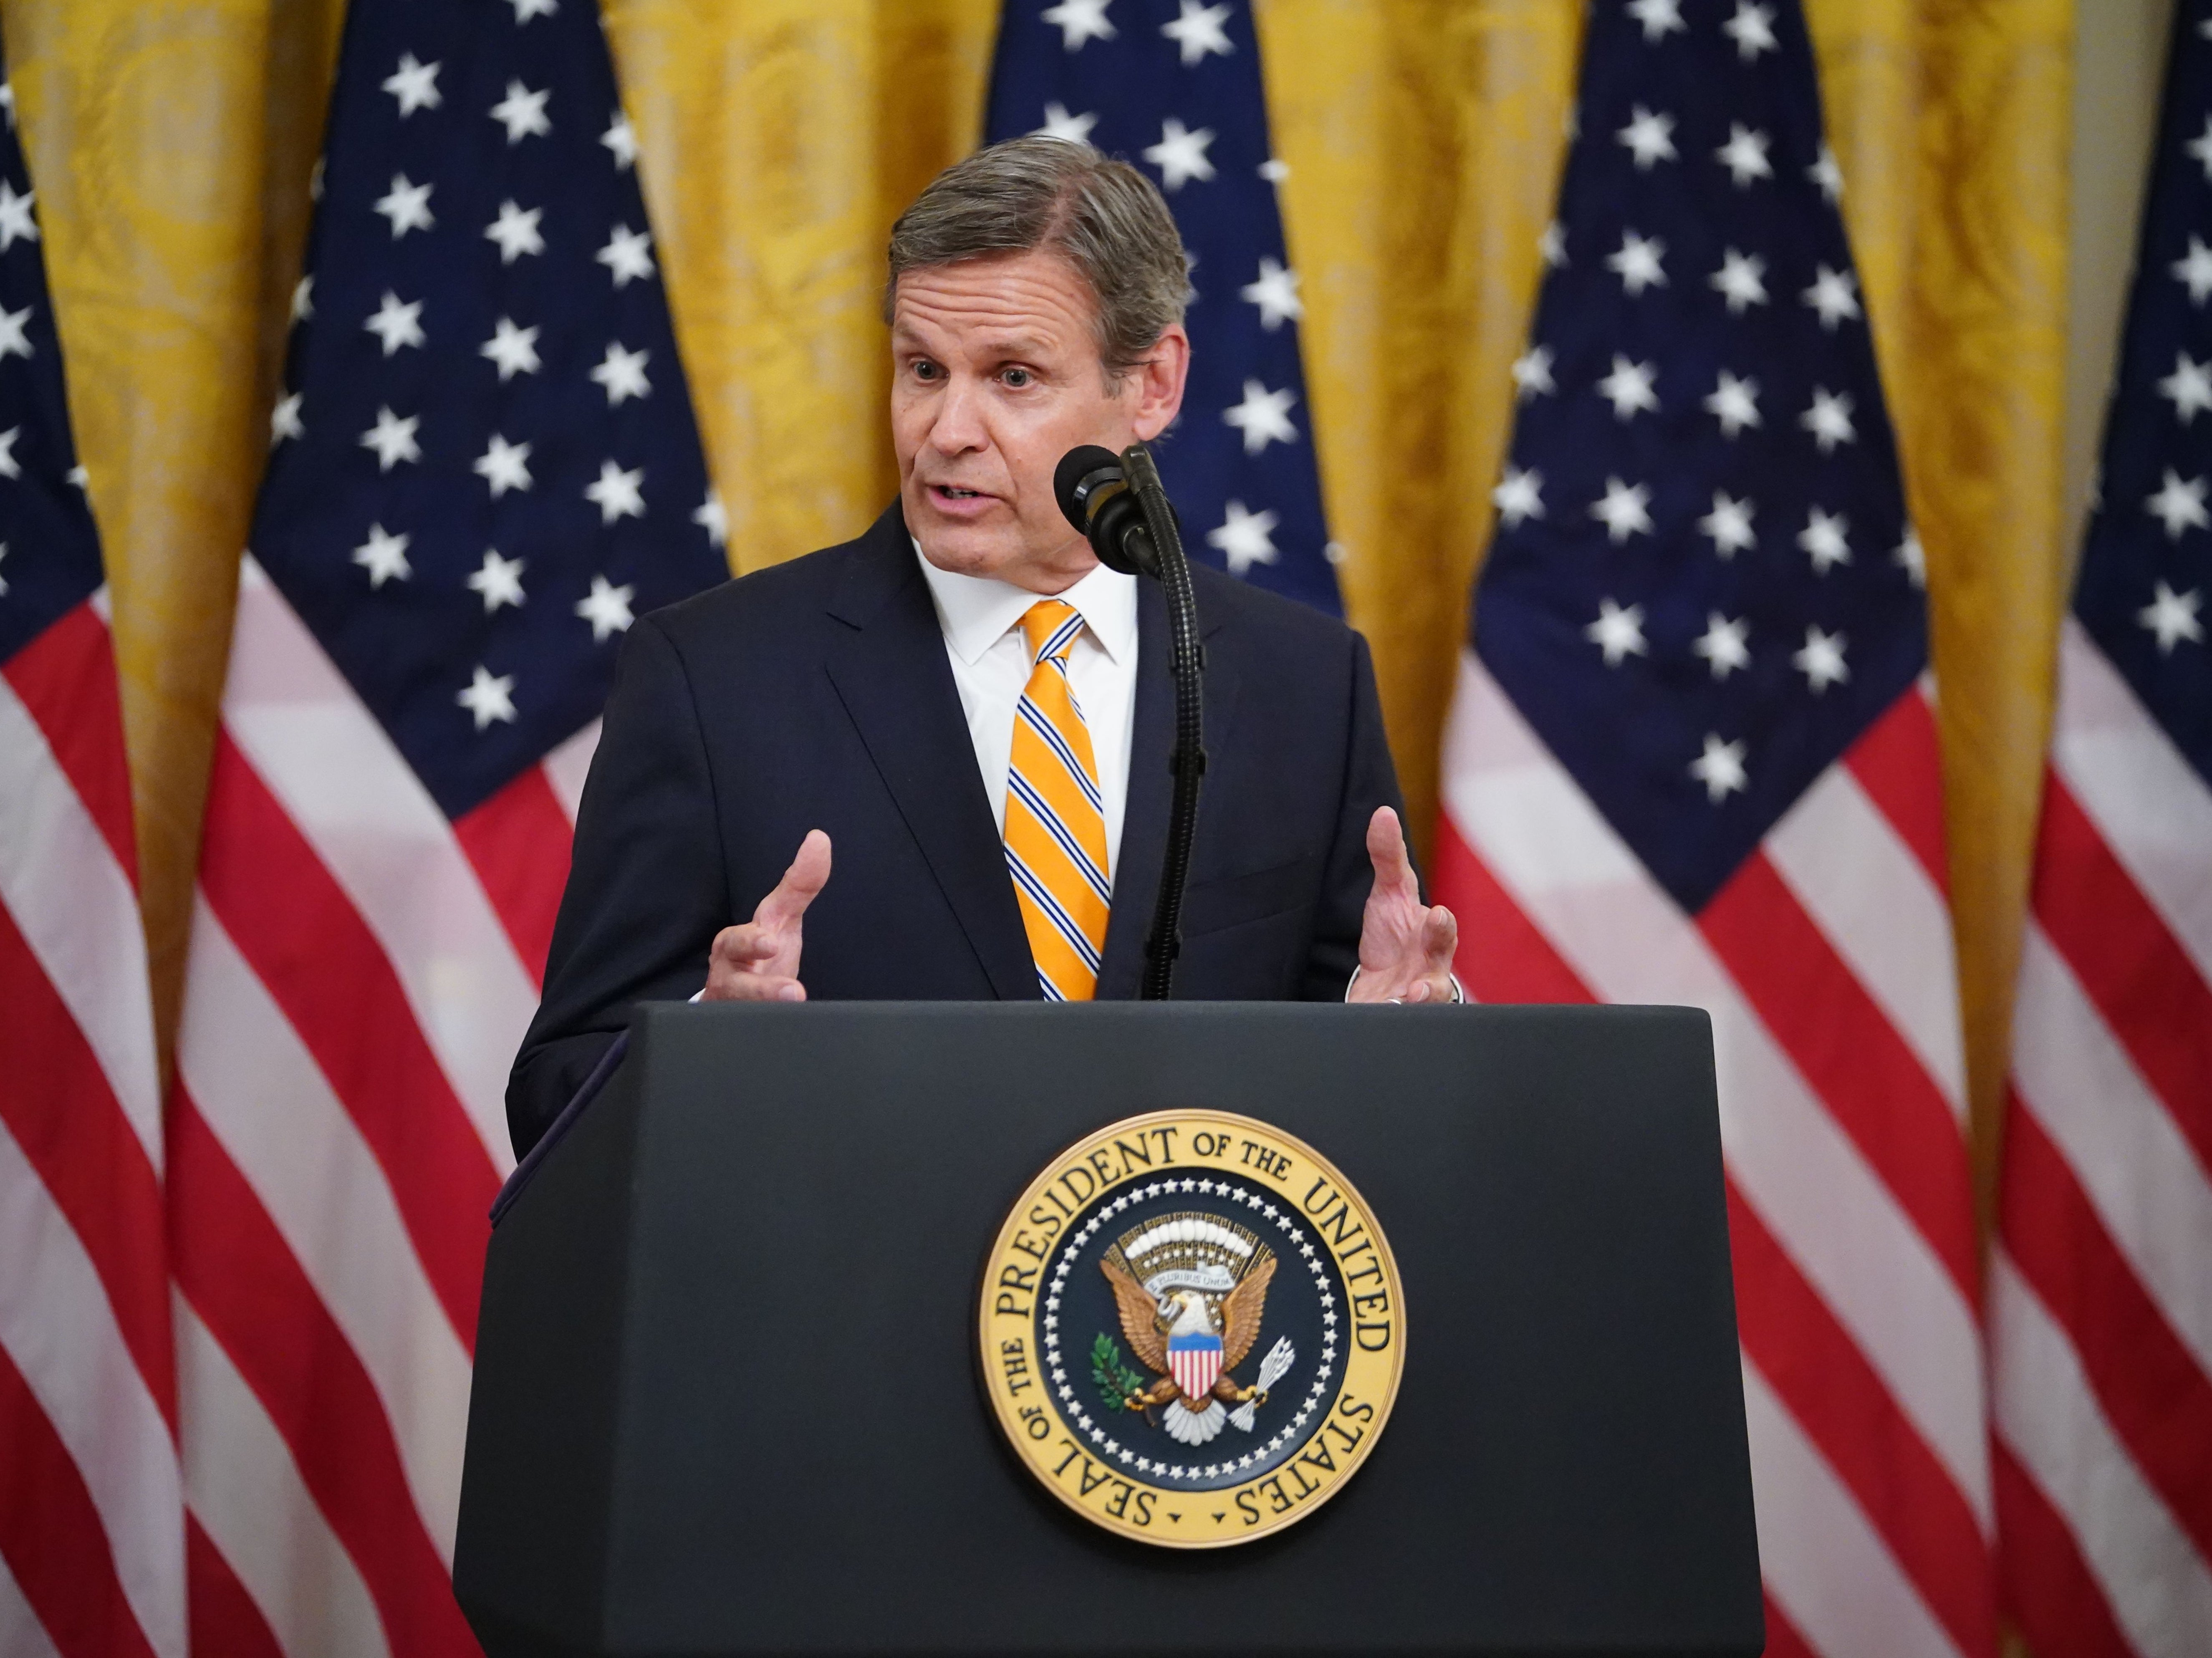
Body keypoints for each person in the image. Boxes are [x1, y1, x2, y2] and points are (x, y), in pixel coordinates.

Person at [507, 136, 1459, 1158]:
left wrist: (1396, 1026)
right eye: (923, 368)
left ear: (1152, 386)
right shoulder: (713, 679)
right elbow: (556, 1092)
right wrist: (704, 1051)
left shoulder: (1303, 683)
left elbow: (1363, 1107)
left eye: (1012, 376)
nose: (946, 429)